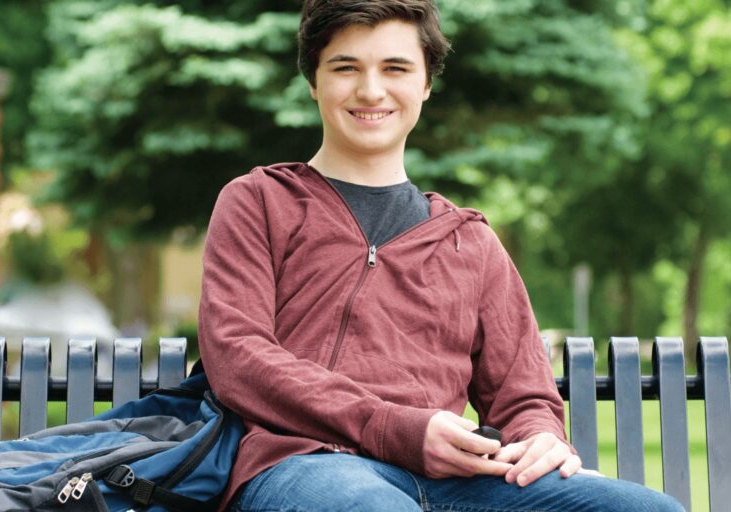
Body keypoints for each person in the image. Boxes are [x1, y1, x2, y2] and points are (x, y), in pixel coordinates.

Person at [198, 1, 684, 510]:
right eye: (346, 68)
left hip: (459, 479)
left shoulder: (468, 239)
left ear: (426, 83)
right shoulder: (260, 200)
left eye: (396, 68)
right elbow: (238, 354)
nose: (370, 90)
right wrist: (395, 428)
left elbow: (524, 397)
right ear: (314, 81)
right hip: (305, 463)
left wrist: (542, 437)